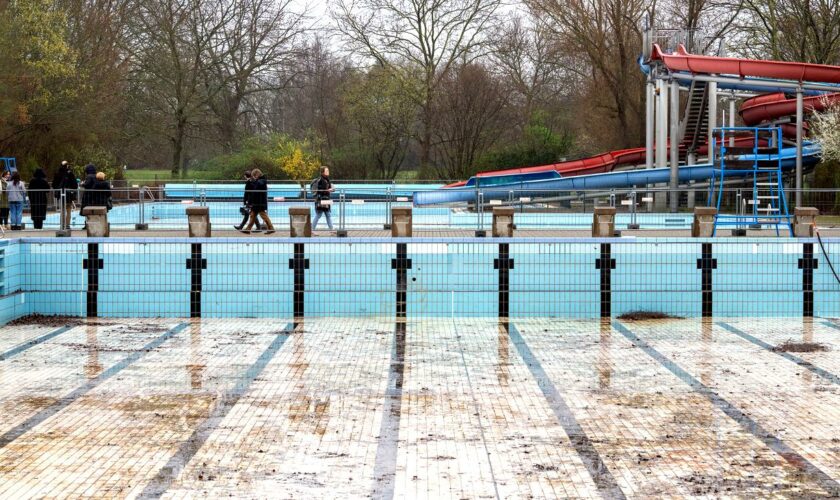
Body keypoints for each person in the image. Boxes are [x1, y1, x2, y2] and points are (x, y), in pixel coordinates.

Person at [240, 168, 274, 234]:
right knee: (252, 215)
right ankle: (248, 229)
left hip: (260, 202)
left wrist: (252, 181)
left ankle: (271, 228)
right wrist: (249, 182)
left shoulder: (262, 180)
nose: (254, 177)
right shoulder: (259, 180)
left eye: (254, 176)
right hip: (257, 202)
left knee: (263, 215)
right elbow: (254, 187)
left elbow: (257, 185)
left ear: (257, 174)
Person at [52, 162, 78, 230]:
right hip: (69, 193)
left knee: (62, 209)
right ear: (67, 166)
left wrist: (58, 189)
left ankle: (62, 224)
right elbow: (75, 185)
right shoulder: (70, 174)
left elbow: (54, 184)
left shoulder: (57, 174)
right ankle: (67, 225)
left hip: (61, 193)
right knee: (68, 209)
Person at [312, 165, 334, 231]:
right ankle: (312, 230)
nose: (328, 171)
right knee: (319, 215)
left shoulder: (327, 179)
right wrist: (328, 190)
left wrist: (331, 189)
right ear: (323, 172)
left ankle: (331, 230)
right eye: (327, 170)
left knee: (328, 215)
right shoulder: (320, 180)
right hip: (321, 200)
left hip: (326, 200)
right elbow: (320, 190)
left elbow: (328, 188)